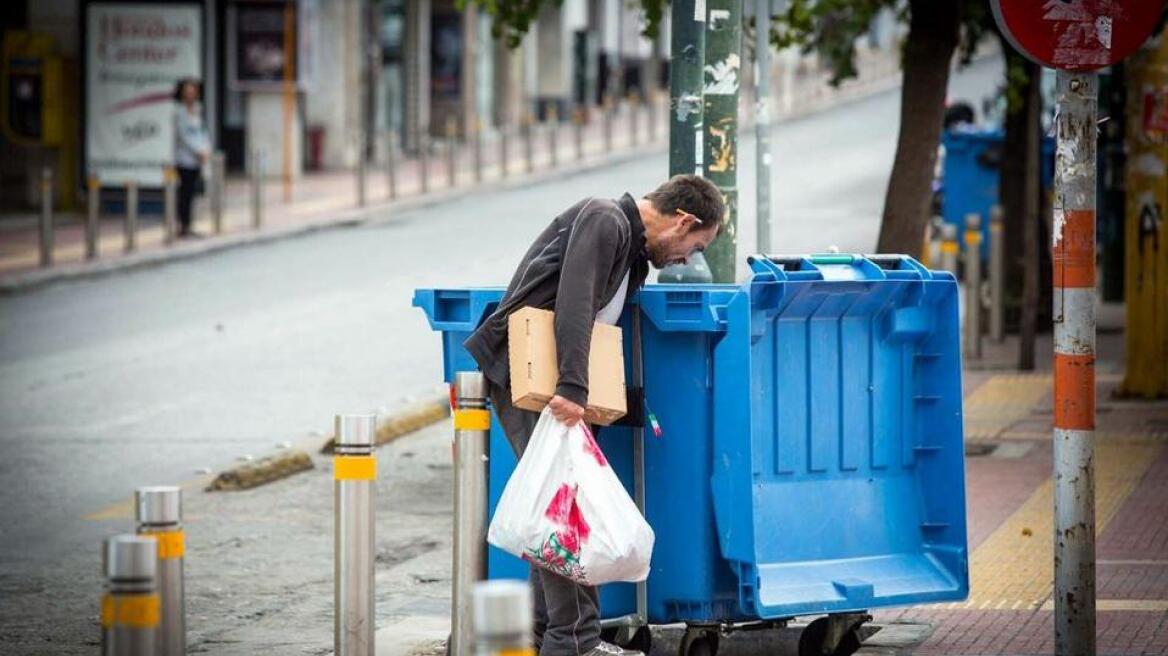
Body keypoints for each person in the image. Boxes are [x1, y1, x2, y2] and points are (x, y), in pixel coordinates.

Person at [464, 175, 726, 656]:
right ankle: (577, 642)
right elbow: (575, 301)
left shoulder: (631, 249)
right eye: (696, 245)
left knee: (556, 507)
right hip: (532, 378)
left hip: (552, 381)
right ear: (683, 220)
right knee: (567, 510)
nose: (689, 257)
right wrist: (571, 388)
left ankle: (548, 638)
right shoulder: (606, 219)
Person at [173, 78, 211, 238]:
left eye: (193, 92)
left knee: (192, 193)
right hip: (184, 159)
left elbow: (202, 131)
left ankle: (189, 225)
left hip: (197, 160)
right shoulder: (178, 112)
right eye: (187, 92)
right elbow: (183, 136)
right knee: (184, 193)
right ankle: (183, 226)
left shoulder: (197, 110)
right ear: (181, 94)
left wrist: (206, 149)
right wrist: (198, 151)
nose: (190, 95)